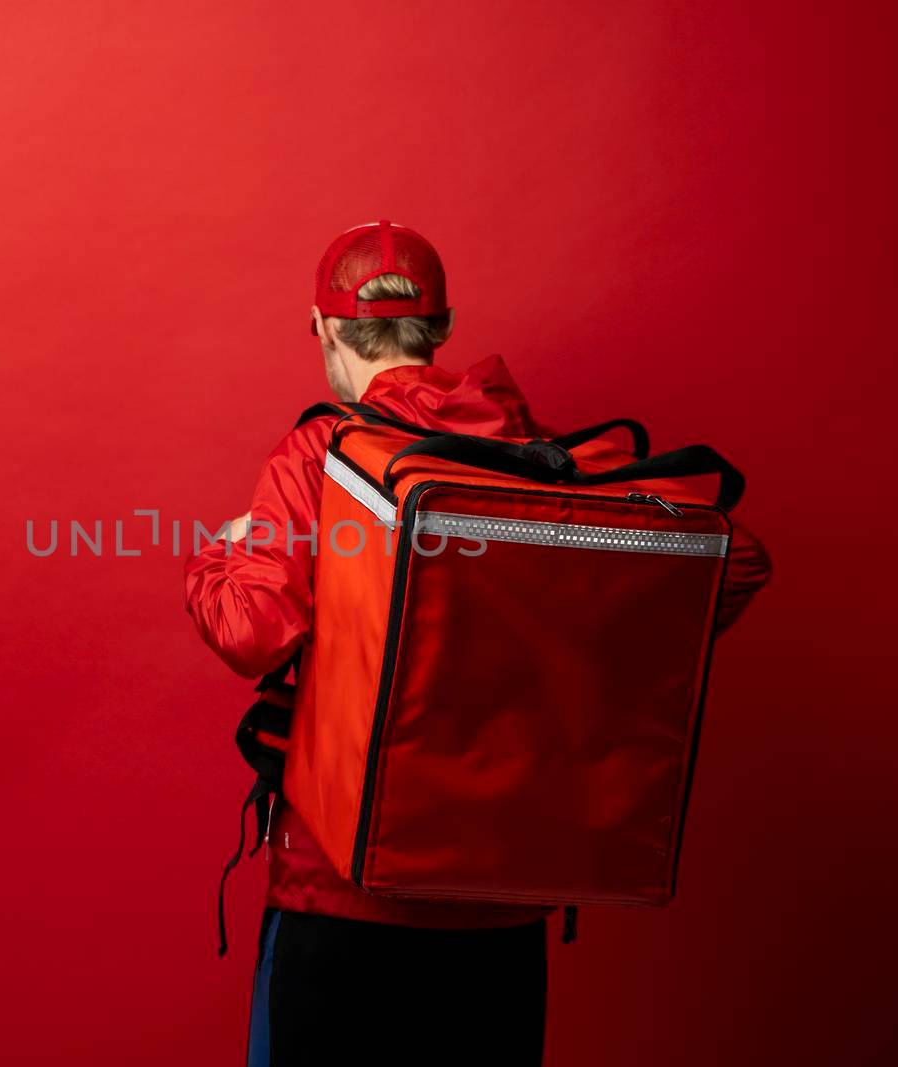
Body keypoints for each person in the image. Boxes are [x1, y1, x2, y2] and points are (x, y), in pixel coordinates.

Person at [184, 220, 773, 1066]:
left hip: (335, 910)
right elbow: (737, 560)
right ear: (445, 329)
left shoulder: (320, 453)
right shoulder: (530, 464)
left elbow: (249, 632)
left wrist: (225, 546)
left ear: (320, 327)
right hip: (499, 919)